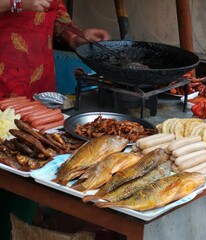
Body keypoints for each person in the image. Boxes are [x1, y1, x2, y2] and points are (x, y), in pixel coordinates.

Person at [0, 1, 109, 239]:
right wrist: (17, 3)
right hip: (2, 87)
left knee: (30, 165)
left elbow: (57, 20)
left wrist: (76, 37)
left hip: (38, 95)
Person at [0, 0, 110, 100]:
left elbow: (56, 14)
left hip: (42, 73)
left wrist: (74, 36)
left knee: (41, 116)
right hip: (6, 70)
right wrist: (17, 3)